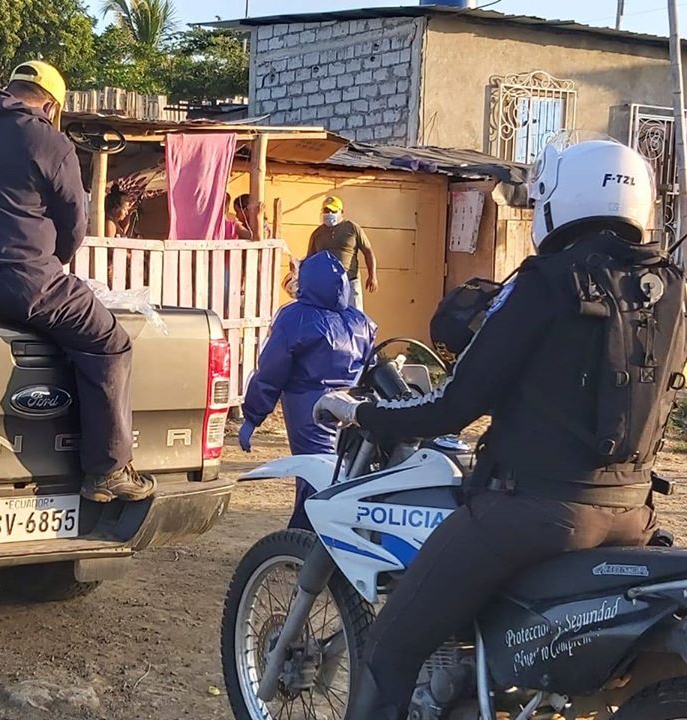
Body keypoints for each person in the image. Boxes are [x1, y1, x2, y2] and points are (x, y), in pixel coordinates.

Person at [313, 137, 687, 719]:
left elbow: (454, 406)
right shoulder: (670, 290)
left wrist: (364, 413)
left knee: (389, 649)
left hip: (528, 515)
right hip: (632, 515)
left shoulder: (545, 283)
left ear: (562, 199)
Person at [0, 60, 155, 503]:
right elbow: (74, 223)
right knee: (109, 343)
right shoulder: (47, 138)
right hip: (25, 280)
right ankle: (107, 471)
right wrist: (54, 262)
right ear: (51, 106)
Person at [239, 251, 376, 530]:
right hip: (352, 406)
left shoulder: (295, 319)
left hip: (309, 409)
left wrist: (253, 416)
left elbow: (271, 371)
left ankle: (303, 539)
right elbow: (371, 366)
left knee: (314, 476)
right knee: (344, 473)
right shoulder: (362, 322)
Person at [306, 195, 378, 312]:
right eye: (326, 210)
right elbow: (310, 260)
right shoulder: (317, 234)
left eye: (333, 211)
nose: (329, 213)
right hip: (327, 286)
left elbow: (368, 251)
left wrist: (372, 276)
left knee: (354, 317)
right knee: (330, 318)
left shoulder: (352, 228)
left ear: (341, 212)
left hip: (350, 282)